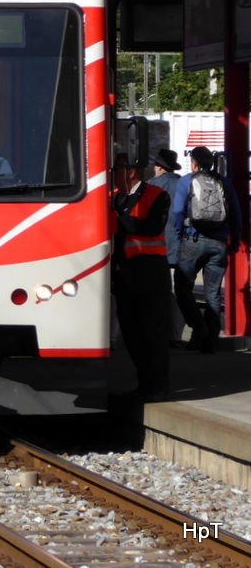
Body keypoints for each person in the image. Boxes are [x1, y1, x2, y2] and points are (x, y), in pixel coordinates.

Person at [111, 153, 172, 402]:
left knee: (152, 336)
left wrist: (116, 219)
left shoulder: (157, 195)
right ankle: (144, 385)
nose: (113, 173)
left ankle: (156, 387)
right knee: (133, 336)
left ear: (132, 171)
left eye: (117, 168)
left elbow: (151, 228)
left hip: (149, 276)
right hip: (124, 277)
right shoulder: (114, 195)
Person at [170, 146, 242, 354]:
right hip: (219, 243)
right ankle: (211, 340)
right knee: (213, 294)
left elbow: (177, 211)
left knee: (182, 288)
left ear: (194, 163)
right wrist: (234, 241)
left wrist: (178, 233)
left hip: (193, 239)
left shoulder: (187, 180)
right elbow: (236, 214)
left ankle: (199, 327)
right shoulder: (224, 182)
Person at [146, 148, 186, 346]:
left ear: (159, 167)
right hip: (182, 248)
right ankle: (176, 334)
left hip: (157, 249)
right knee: (179, 294)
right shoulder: (184, 184)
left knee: (160, 293)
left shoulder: (150, 187)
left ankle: (158, 333)